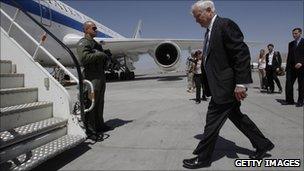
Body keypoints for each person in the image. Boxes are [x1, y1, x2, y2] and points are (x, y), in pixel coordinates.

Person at [183, 1, 274, 169]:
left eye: (198, 16)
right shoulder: (209, 32)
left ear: (209, 11)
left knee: (212, 122)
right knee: (238, 118)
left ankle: (203, 158)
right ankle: (263, 144)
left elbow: (241, 54)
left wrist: (241, 84)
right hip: (220, 86)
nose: (196, 21)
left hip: (225, 87)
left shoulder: (224, 25)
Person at [77, 21, 112, 138]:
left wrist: (106, 56)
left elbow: (100, 58)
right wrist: (100, 55)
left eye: (96, 28)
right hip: (91, 77)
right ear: (86, 30)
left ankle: (100, 125)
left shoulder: (96, 44)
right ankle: (90, 130)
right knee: (90, 103)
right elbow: (83, 58)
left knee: (100, 102)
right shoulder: (83, 42)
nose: (96, 30)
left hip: (100, 76)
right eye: (93, 28)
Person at [284, 28, 304, 107]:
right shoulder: (291, 44)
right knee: (288, 83)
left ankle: (300, 101)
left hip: (301, 67)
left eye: (296, 33)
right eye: (293, 33)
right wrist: (287, 67)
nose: (294, 35)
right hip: (291, 67)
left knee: (301, 85)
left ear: (300, 33)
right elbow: (289, 56)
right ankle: (289, 100)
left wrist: (301, 62)